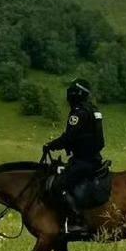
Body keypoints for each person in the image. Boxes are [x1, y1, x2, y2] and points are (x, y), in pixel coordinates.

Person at [42, 78, 104, 235]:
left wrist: (51, 146)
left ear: (76, 94)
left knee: (59, 186)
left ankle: (77, 221)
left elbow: (69, 137)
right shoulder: (93, 110)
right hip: (94, 158)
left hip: (83, 161)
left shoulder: (79, 112)